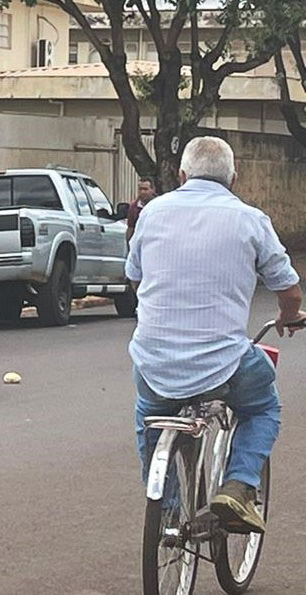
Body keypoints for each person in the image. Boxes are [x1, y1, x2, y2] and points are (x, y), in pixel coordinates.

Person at [127, 136, 305, 534]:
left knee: (150, 417)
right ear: (233, 179)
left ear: (181, 174)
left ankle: (168, 510)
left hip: (153, 360)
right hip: (223, 363)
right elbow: (289, 290)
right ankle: (238, 486)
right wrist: (288, 316)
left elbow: (135, 278)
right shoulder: (249, 218)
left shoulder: (153, 213)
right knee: (262, 407)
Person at [126, 176, 158, 243]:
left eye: (145, 189)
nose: (142, 192)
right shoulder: (134, 207)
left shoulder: (159, 206)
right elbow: (131, 228)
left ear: (153, 190)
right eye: (140, 189)